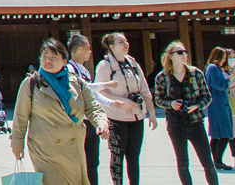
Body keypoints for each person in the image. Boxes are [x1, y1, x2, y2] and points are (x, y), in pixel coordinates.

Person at [10, 38, 103, 185]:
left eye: (54, 57)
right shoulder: (32, 83)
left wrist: (101, 123)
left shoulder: (77, 83)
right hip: (45, 148)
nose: (48, 60)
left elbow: (93, 107)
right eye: (45, 57)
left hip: (73, 147)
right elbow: (20, 116)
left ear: (65, 61)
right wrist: (17, 143)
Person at [93, 32, 156, 185]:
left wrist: (152, 114)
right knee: (117, 156)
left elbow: (145, 90)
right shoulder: (105, 66)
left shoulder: (133, 64)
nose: (126, 44)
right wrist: (121, 100)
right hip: (116, 118)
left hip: (136, 117)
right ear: (112, 47)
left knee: (134, 157)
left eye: (126, 41)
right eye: (121, 42)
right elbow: (98, 91)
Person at [152, 42, 218, 185]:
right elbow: (158, 99)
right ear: (170, 56)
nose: (184, 55)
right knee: (182, 163)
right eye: (180, 52)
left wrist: (196, 106)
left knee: (208, 162)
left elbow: (207, 97)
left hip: (195, 122)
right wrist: (171, 104)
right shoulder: (162, 77)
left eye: (185, 52)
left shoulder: (195, 73)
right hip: (176, 124)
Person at [67, 35, 101, 184]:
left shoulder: (85, 71)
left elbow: (92, 95)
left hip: (90, 120)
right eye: (88, 49)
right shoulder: (69, 69)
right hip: (79, 121)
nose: (90, 52)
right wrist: (104, 84)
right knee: (79, 162)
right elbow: (82, 88)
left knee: (93, 162)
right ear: (80, 49)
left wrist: (112, 103)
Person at [202, 48, 234, 171]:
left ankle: (216, 161)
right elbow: (218, 85)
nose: (224, 60)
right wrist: (229, 79)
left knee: (216, 135)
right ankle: (218, 160)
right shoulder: (213, 68)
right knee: (224, 134)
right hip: (218, 104)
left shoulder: (216, 68)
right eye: (223, 58)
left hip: (220, 103)